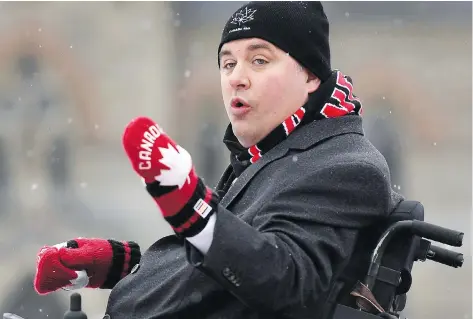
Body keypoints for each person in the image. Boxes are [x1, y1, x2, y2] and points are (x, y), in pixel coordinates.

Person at [33, 2, 403, 318]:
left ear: (309, 75)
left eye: (259, 60)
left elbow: (287, 284)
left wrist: (191, 207)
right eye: (227, 64)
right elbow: (217, 272)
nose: (236, 78)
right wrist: (116, 264)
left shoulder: (345, 167)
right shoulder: (270, 158)